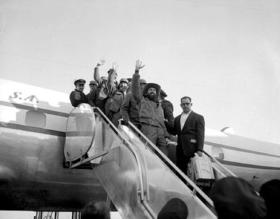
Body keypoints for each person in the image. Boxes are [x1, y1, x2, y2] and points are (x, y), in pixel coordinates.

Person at [132, 60, 168, 155]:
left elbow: (162, 121)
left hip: (160, 131)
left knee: (164, 154)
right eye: (150, 89)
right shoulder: (142, 100)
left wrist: (166, 135)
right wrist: (136, 73)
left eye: (154, 90)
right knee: (147, 152)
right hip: (148, 128)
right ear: (146, 92)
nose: (152, 91)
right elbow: (135, 88)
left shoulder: (159, 105)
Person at [170, 96, 205, 174]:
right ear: (180, 105)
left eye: (187, 104)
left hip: (192, 149)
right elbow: (174, 132)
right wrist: (165, 123)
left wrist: (200, 149)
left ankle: (191, 186)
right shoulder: (177, 119)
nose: (185, 105)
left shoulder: (198, 117)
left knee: (193, 173)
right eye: (183, 104)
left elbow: (201, 134)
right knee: (180, 171)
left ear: (191, 104)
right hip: (180, 149)